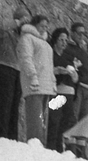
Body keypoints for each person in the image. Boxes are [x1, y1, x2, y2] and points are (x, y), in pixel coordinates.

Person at [17, 15, 56, 145]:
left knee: (42, 120)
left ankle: (40, 146)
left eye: (46, 26)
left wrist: (53, 81)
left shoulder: (45, 43)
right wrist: (32, 76)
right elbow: (26, 58)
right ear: (35, 25)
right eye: (42, 25)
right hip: (34, 83)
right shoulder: (27, 38)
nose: (44, 29)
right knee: (35, 119)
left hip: (46, 85)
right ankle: (34, 145)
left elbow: (49, 65)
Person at [0, 6, 32, 140]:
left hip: (18, 72)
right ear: (17, 19)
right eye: (23, 19)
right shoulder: (6, 30)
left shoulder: (22, 37)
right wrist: (18, 22)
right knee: (4, 105)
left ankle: (12, 138)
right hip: (5, 67)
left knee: (14, 107)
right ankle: (2, 136)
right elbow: (1, 25)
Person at [46, 28, 78, 153]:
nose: (64, 43)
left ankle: (60, 149)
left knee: (66, 121)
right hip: (57, 91)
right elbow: (47, 70)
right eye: (61, 40)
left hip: (69, 92)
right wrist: (57, 70)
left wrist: (74, 75)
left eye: (65, 40)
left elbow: (76, 78)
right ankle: (51, 147)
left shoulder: (68, 57)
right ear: (55, 40)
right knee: (54, 120)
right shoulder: (51, 55)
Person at [65, 22, 88, 121]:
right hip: (77, 89)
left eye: (83, 34)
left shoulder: (82, 51)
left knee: (85, 124)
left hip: (87, 90)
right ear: (72, 33)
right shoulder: (68, 48)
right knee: (73, 120)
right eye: (79, 33)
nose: (81, 36)